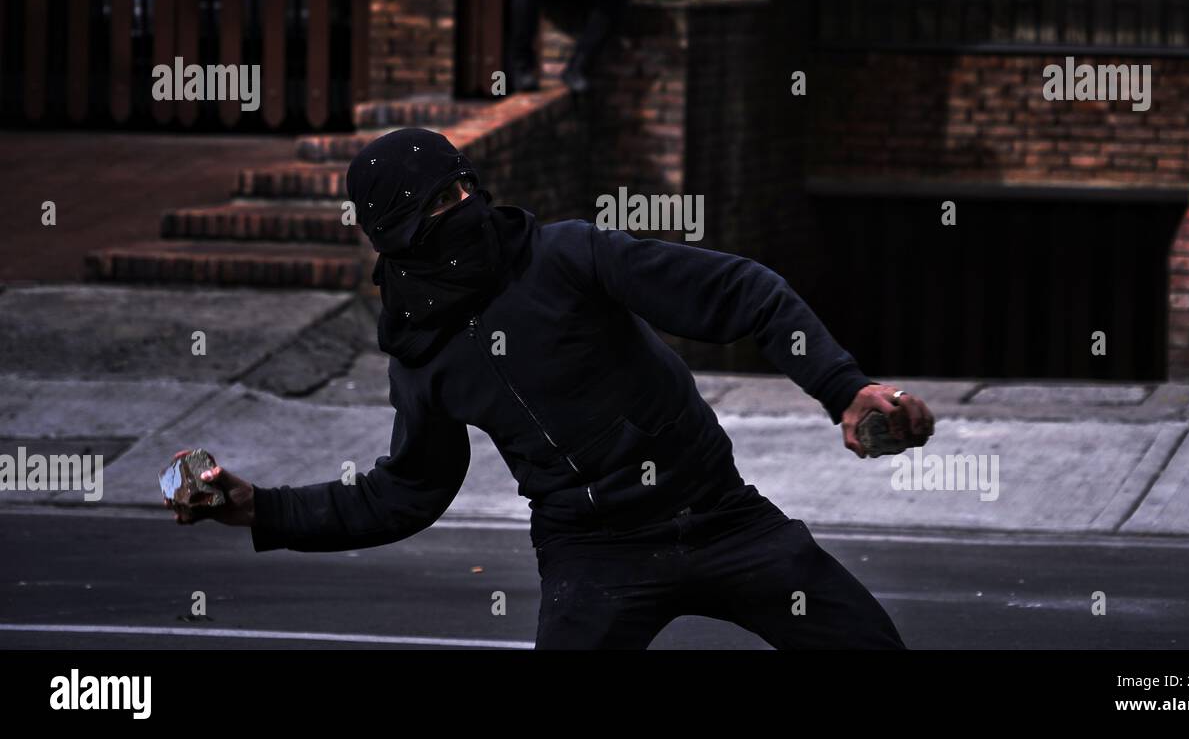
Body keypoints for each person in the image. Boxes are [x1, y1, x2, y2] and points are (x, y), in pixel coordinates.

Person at [167, 128, 935, 650]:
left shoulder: (566, 255)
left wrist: (843, 389)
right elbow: (402, 495)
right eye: (438, 204)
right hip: (595, 555)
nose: (464, 209)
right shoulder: (424, 357)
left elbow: (743, 292)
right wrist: (259, 509)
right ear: (394, 234)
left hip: (724, 519)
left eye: (465, 187)